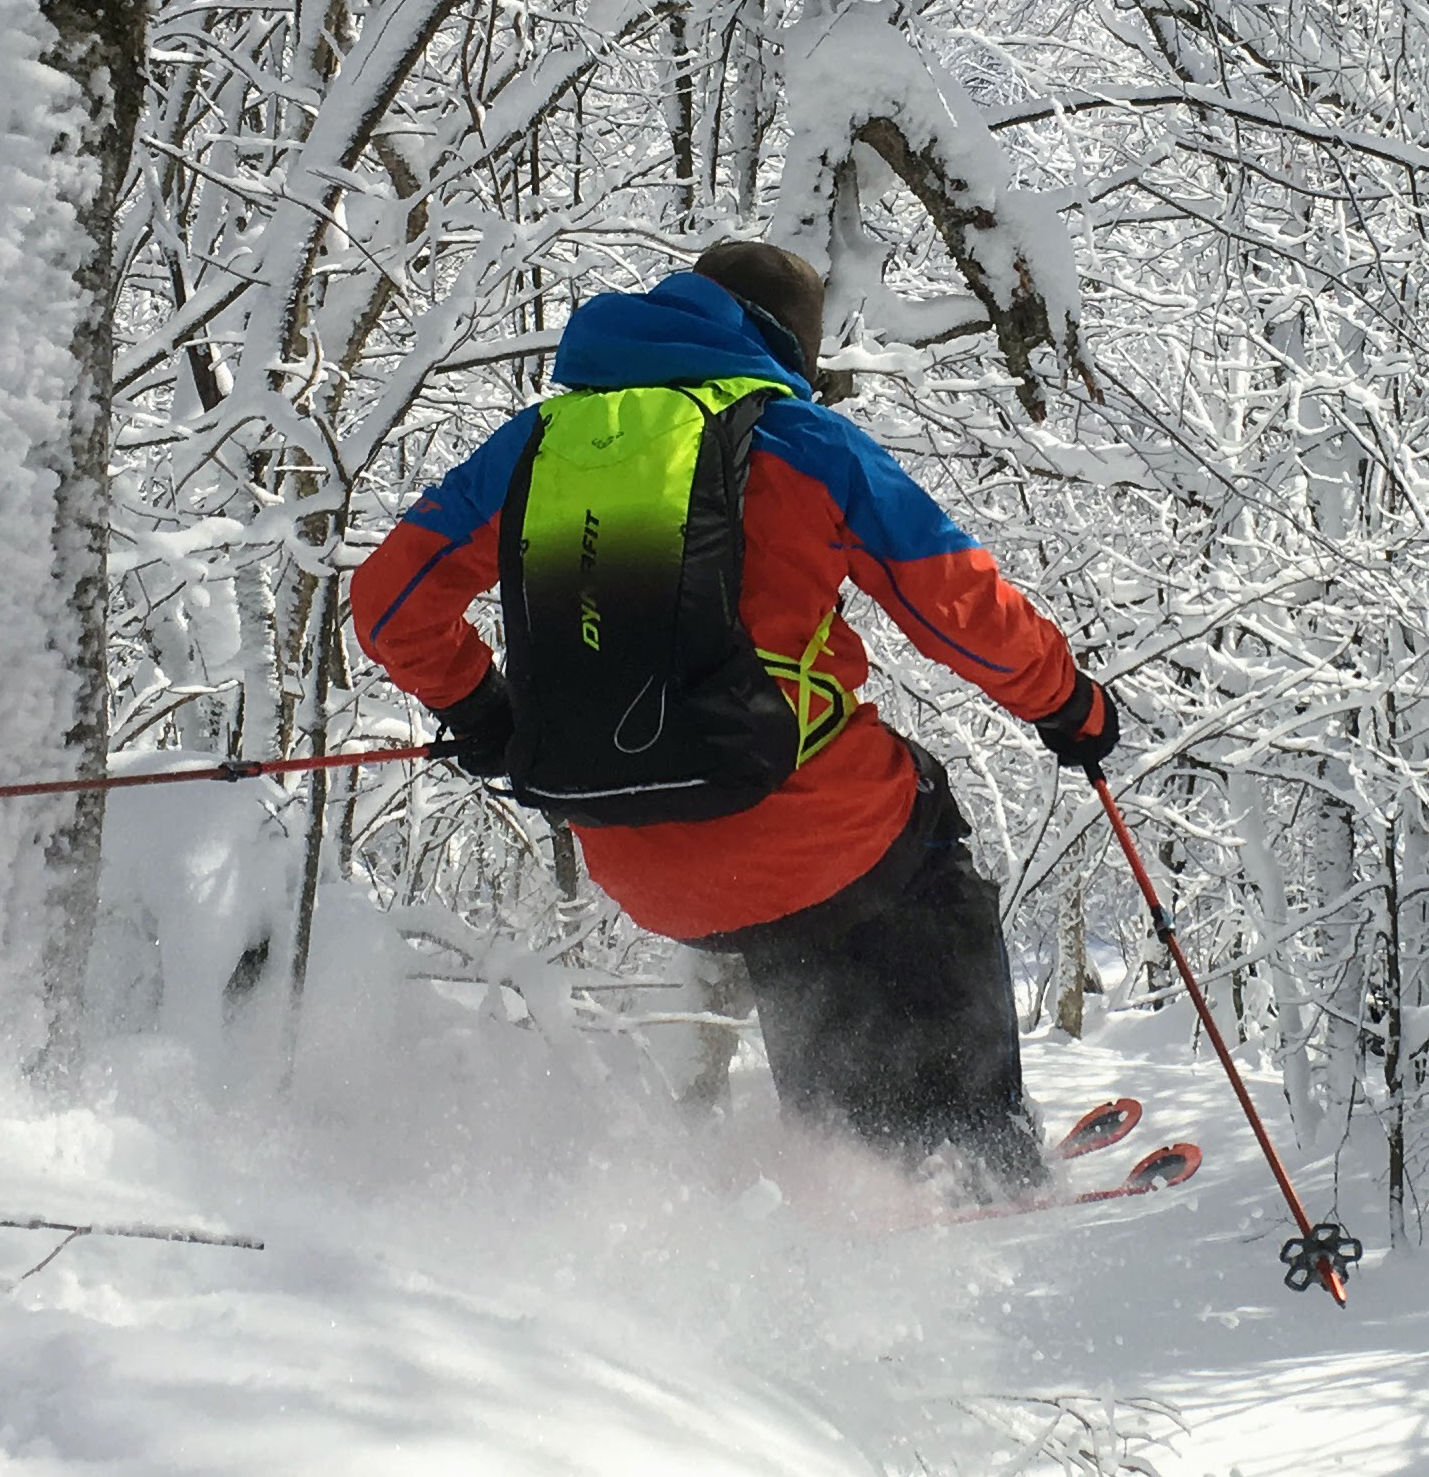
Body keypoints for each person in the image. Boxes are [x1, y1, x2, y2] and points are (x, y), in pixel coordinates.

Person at [352, 240, 1116, 1193]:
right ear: (784, 348)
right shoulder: (800, 440)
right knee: (917, 830)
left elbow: (388, 602)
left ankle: (843, 1162)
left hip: (638, 863)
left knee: (789, 921)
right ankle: (979, 1152)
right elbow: (955, 601)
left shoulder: (539, 444)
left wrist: (481, 709)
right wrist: (1069, 704)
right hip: (806, 831)